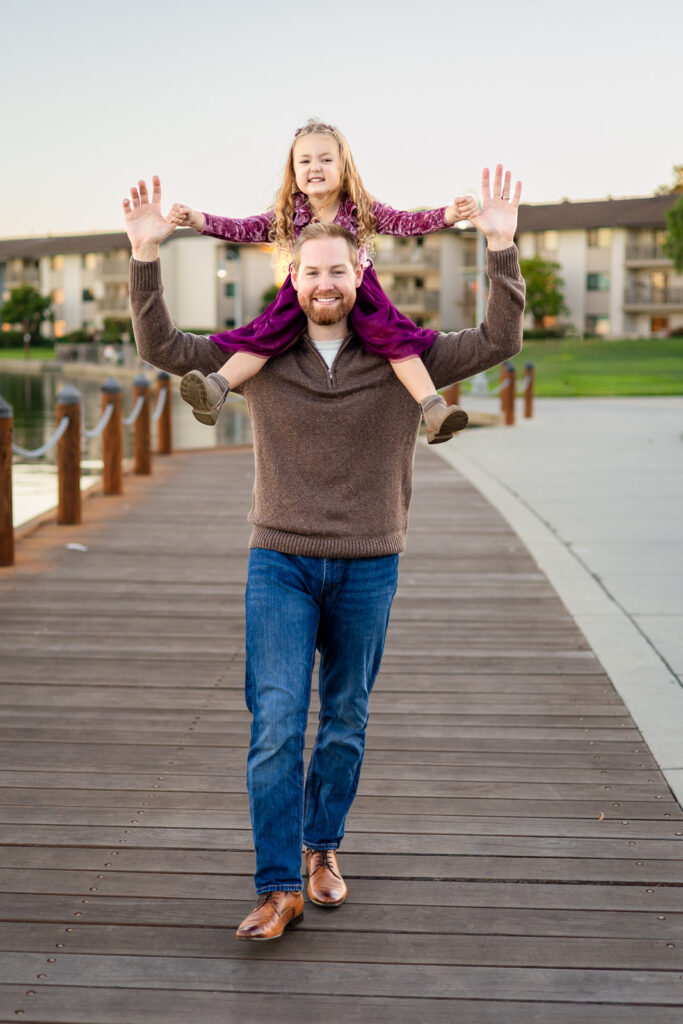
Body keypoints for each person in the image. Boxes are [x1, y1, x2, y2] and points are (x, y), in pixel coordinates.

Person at [123, 165, 525, 940]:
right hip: (278, 560)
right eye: (310, 272)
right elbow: (166, 348)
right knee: (275, 721)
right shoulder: (260, 354)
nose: (324, 282)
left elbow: (498, 340)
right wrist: (146, 257)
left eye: (338, 270)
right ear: (292, 278)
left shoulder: (403, 353)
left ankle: (321, 849)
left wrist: (500, 246)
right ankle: (279, 887)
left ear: (358, 272)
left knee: (343, 720)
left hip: (369, 562)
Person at [168, 119, 479, 443]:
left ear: (343, 166)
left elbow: (407, 223)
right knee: (264, 334)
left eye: (325, 159)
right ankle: (217, 388)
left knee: (397, 339)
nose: (314, 167)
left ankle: (433, 410)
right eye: (305, 161)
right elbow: (242, 228)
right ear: (293, 170)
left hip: (358, 287)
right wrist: (197, 221)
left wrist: (449, 215)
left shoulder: (361, 209)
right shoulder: (289, 213)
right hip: (302, 289)